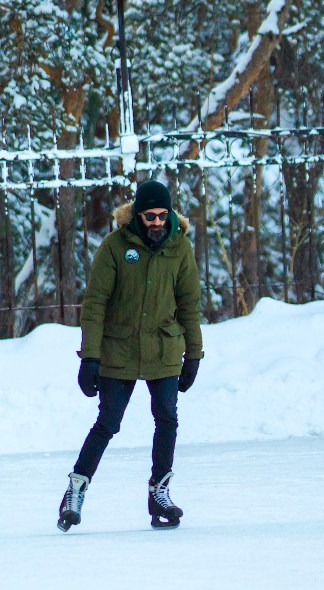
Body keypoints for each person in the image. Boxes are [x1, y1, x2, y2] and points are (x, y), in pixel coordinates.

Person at [57, 179, 203, 532]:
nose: (157, 222)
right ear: (138, 215)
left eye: (162, 216)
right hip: (118, 348)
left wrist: (194, 354)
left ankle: (160, 493)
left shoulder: (179, 247)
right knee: (108, 423)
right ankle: (75, 490)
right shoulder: (115, 246)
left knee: (167, 418)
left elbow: (189, 304)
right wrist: (89, 357)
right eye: (150, 215)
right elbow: (94, 305)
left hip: (163, 347)